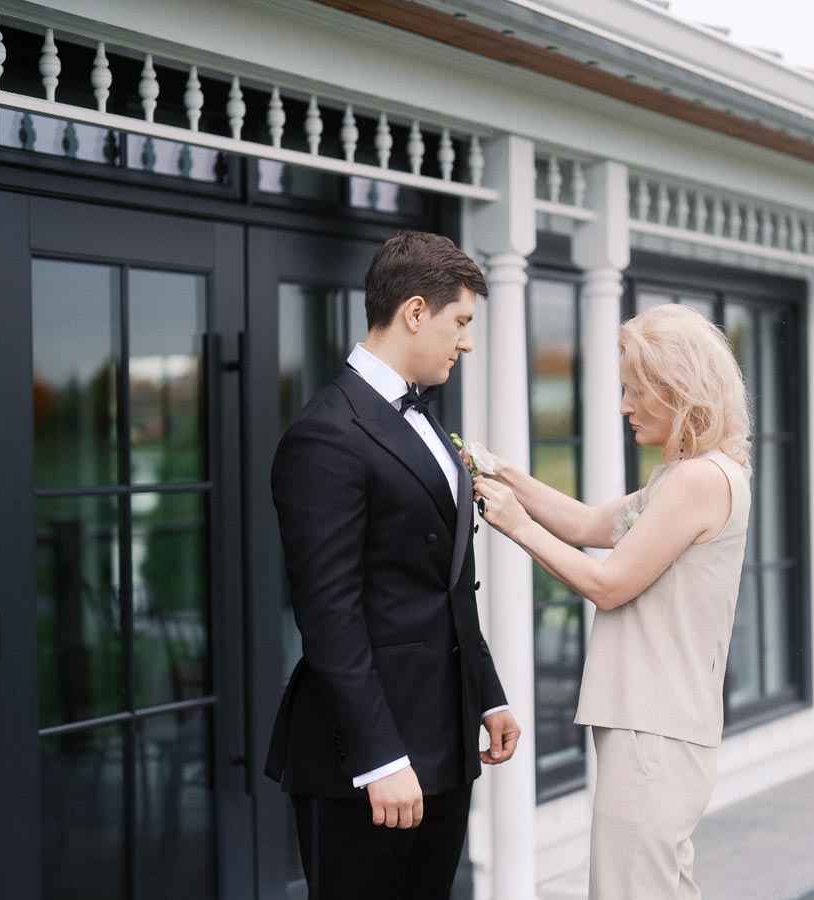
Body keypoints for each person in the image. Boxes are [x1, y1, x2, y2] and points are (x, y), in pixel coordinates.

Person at [265, 231, 521, 899]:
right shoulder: (325, 435)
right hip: (366, 755)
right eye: (460, 322)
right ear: (414, 312)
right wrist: (379, 757)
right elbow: (329, 614)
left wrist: (486, 693)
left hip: (444, 739)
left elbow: (446, 584)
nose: (466, 342)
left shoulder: (427, 421)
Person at [472, 303, 751, 900]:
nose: (624, 405)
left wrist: (515, 524)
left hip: (655, 726)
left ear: (678, 389)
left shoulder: (700, 481)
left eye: (634, 390)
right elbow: (588, 522)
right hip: (661, 724)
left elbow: (608, 583)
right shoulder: (689, 476)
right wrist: (502, 472)